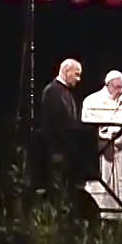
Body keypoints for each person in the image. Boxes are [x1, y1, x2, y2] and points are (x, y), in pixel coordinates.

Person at [81, 69, 122, 220]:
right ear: (108, 85)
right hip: (104, 151)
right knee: (104, 189)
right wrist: (109, 134)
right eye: (117, 87)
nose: (120, 91)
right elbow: (88, 128)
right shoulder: (92, 101)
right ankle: (103, 218)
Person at [35, 58, 85, 200]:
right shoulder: (52, 91)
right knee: (58, 191)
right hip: (57, 151)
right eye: (76, 74)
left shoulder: (65, 92)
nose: (79, 79)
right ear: (66, 71)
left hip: (66, 151)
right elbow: (55, 124)